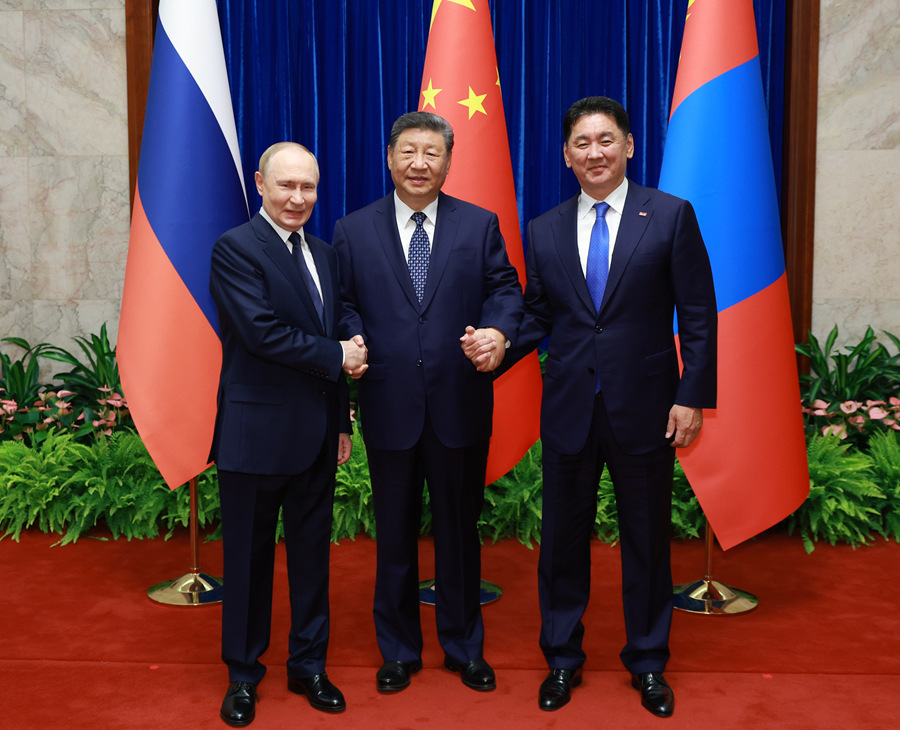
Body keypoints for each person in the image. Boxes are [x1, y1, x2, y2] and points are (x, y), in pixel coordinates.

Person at [464, 96, 717, 718]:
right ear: (566, 155)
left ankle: (648, 662)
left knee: (647, 542)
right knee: (562, 544)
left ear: (628, 146)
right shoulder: (545, 227)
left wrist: (691, 396)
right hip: (570, 406)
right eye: (582, 143)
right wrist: (501, 343)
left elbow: (699, 315)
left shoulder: (670, 215)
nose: (594, 152)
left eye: (606, 140)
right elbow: (540, 314)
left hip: (647, 406)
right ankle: (562, 658)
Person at [332, 111, 523, 694]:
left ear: (448, 161)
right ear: (389, 158)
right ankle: (398, 651)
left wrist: (498, 333)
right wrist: (352, 338)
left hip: (458, 405)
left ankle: (464, 648)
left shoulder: (479, 224)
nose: (419, 163)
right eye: (408, 152)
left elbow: (506, 290)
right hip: (389, 404)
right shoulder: (353, 229)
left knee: (459, 534)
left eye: (432, 153)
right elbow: (341, 304)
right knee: (393, 535)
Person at [209, 142, 367, 726]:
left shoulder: (323, 253)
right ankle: (242, 675)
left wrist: (342, 417)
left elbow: (335, 321)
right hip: (254, 435)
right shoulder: (235, 248)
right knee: (248, 561)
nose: (298, 198)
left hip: (318, 434)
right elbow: (261, 333)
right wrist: (340, 354)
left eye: (308, 187)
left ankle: (309, 665)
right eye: (287, 185)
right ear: (260, 184)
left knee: (311, 559)